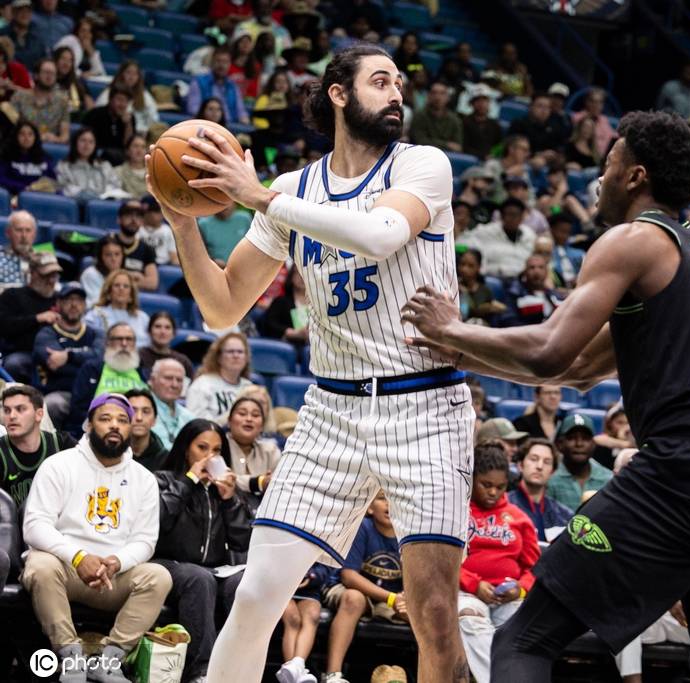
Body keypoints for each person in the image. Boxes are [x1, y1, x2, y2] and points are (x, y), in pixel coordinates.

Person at [401, 110, 690, 682]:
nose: (599, 178)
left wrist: (452, 329)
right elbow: (581, 368)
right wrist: (461, 355)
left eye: (608, 165)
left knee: (522, 641)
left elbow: (549, 351)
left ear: (635, 176)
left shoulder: (633, 240)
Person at [148, 44, 474, 683]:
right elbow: (220, 308)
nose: (396, 93)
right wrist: (183, 224)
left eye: (399, 83)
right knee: (255, 593)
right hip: (332, 412)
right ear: (339, 95)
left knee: (434, 613)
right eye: (380, 81)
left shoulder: (423, 165)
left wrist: (256, 196)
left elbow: (381, 235)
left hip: (425, 405)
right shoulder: (294, 190)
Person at [20, 394, 172, 683]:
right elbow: (35, 526)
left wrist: (117, 561)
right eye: (105, 419)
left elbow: (145, 540)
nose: (114, 425)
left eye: (122, 420)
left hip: (112, 577)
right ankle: (71, 657)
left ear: (131, 429)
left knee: (158, 576)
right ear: (88, 425)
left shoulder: (144, 479)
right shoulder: (59, 465)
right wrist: (78, 557)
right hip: (65, 569)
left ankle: (109, 660)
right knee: (40, 565)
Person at [153, 419, 252, 683]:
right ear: (186, 449)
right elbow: (159, 521)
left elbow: (243, 541)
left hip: (214, 569)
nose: (210, 457)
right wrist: (189, 481)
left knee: (244, 582)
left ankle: (239, 670)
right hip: (168, 564)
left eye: (217, 450)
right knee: (199, 578)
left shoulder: (222, 490)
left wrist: (230, 501)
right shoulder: (164, 480)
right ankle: (202, 671)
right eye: (202, 448)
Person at [458, 442, 539, 683]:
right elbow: (444, 562)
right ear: (472, 478)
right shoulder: (457, 513)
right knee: (470, 619)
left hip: (508, 597)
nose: (493, 492)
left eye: (500, 487)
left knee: (524, 628)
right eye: (486, 485)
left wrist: (520, 589)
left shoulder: (519, 518)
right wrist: (474, 584)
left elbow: (535, 568)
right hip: (465, 592)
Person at [323, 490, 407, 683]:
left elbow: (413, 578)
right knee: (354, 599)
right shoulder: (361, 528)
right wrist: (392, 598)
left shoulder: (408, 536)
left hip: (388, 597)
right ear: (369, 507)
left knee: (418, 613)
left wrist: (406, 602)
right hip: (347, 589)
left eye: (394, 499)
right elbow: (349, 577)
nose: (389, 504)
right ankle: (332, 675)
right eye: (382, 499)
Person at [34, 281, 103, 425]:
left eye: (78, 300)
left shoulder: (96, 333)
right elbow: (55, 363)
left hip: (93, 393)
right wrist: (86, 360)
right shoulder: (46, 333)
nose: (74, 304)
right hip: (61, 392)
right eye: (68, 300)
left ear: (85, 305)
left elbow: (101, 358)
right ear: (58, 304)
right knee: (51, 405)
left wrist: (68, 356)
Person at [66, 323, 149, 437]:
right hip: (99, 430)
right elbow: (78, 409)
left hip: (137, 428)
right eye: (118, 339)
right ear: (107, 342)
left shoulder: (142, 371)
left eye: (129, 339)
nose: (124, 344)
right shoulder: (91, 368)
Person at [0, 385, 74, 508]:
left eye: (20, 409)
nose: (12, 416)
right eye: (7, 410)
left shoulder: (62, 443)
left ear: (39, 415)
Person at [0, 252, 61, 383]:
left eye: (54, 275)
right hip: (23, 353)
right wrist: (37, 319)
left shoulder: (61, 299)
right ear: (32, 273)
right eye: (46, 275)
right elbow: (4, 326)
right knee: (14, 364)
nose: (51, 281)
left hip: (56, 353)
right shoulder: (12, 295)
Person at [507, 438, 573, 543]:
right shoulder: (504, 505)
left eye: (547, 462)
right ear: (520, 465)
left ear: (552, 471)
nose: (539, 466)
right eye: (534, 459)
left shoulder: (564, 516)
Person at [543, 413, 612, 511]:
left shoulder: (608, 479)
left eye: (585, 438)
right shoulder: (548, 477)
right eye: (571, 438)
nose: (579, 444)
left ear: (593, 444)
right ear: (560, 444)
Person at [459, 198, 537, 280]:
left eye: (516, 215)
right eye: (509, 214)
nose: (513, 218)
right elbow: (462, 242)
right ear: (502, 216)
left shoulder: (529, 234)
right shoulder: (486, 231)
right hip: (492, 278)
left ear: (522, 217)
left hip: (521, 279)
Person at [185, 333, 254, 420]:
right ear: (219, 357)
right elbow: (195, 421)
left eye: (240, 352)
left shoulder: (249, 387)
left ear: (246, 358)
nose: (236, 356)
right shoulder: (202, 385)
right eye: (230, 351)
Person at [225, 393, 281, 498]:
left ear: (262, 425)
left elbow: (281, 482)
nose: (249, 419)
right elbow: (219, 478)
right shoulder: (219, 446)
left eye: (255, 415)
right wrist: (259, 482)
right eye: (242, 414)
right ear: (229, 421)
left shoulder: (271, 450)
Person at [84, 270, 151, 347]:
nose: (121, 288)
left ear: (131, 294)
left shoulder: (143, 318)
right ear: (109, 292)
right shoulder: (96, 314)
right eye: (116, 285)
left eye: (126, 286)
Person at [57, 126, 126, 200]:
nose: (87, 144)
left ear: (95, 145)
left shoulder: (104, 165)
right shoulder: (64, 165)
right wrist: (86, 195)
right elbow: (64, 187)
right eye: (83, 140)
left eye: (91, 142)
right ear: (75, 143)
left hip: (102, 203)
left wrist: (105, 196)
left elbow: (115, 185)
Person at [11, 57, 70, 144]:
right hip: (23, 145)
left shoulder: (62, 101)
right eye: (46, 72)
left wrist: (56, 139)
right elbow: (10, 128)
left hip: (49, 146)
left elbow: (65, 135)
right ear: (36, 75)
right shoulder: (19, 97)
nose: (49, 76)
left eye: (53, 73)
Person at [186, 45, 249, 126]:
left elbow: (241, 112)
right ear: (212, 62)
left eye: (225, 62)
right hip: (205, 125)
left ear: (230, 64)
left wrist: (244, 118)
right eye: (218, 61)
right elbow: (193, 109)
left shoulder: (233, 86)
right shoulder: (198, 82)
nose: (221, 65)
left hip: (228, 127)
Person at [96, 60, 160, 136]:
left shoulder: (145, 95)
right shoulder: (109, 93)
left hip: (141, 134)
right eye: (128, 72)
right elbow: (99, 114)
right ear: (121, 74)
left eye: (135, 74)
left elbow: (154, 119)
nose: (131, 77)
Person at [81, 85, 136, 166]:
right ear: (110, 99)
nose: (122, 104)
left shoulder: (129, 119)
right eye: (119, 99)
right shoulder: (95, 115)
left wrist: (128, 125)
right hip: (97, 159)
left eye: (126, 101)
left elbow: (128, 147)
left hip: (121, 161)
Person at [0, 119, 57, 195]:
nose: (26, 138)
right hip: (15, 195)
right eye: (22, 134)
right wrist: (23, 188)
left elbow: (53, 180)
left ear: (35, 137)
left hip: (41, 196)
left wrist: (38, 187)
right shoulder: (6, 157)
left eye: (30, 134)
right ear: (16, 137)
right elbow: (1, 178)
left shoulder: (45, 158)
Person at [113, 200, 159, 292]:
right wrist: (133, 276)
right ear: (119, 219)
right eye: (128, 215)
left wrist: (119, 280)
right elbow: (102, 276)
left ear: (142, 222)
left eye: (138, 216)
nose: (133, 220)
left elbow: (152, 283)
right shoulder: (107, 243)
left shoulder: (147, 249)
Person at [149, 358, 195, 446]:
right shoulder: (139, 412)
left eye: (179, 380)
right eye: (168, 378)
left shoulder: (190, 418)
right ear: (152, 380)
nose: (174, 385)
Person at [410, 81, 463, 153]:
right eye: (434, 93)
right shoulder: (419, 116)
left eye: (442, 93)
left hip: (449, 156)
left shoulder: (454, 119)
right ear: (428, 96)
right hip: (424, 154)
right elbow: (419, 141)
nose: (437, 97)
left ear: (448, 98)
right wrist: (447, 144)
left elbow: (458, 147)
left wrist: (432, 141)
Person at [507, 254, 561, 325]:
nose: (536, 271)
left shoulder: (554, 295)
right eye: (532, 267)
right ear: (525, 272)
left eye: (541, 267)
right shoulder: (515, 293)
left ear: (546, 272)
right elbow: (509, 320)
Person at [139, 312, 195, 379]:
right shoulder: (139, 357)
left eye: (167, 327)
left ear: (173, 333)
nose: (163, 332)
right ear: (149, 331)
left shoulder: (183, 361)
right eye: (157, 327)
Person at [124, 388, 168, 472]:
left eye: (146, 411)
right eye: (133, 411)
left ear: (154, 420)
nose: (139, 418)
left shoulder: (166, 459)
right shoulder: (111, 455)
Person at [81, 236, 125, 307]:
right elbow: (96, 304)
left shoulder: (125, 277)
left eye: (117, 254)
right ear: (100, 257)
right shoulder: (90, 274)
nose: (114, 259)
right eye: (108, 255)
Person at [0, 209, 39, 290]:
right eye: (19, 230)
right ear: (8, 233)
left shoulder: (44, 256)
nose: (24, 236)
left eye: (28, 230)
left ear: (34, 234)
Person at [139, 196, 179, 266]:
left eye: (158, 211)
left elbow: (174, 257)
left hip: (162, 265)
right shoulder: (136, 229)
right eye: (155, 211)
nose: (160, 214)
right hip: (140, 264)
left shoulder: (167, 230)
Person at [117, 135, 149, 200]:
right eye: (135, 146)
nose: (139, 150)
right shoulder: (118, 172)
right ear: (127, 150)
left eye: (143, 147)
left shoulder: (153, 173)